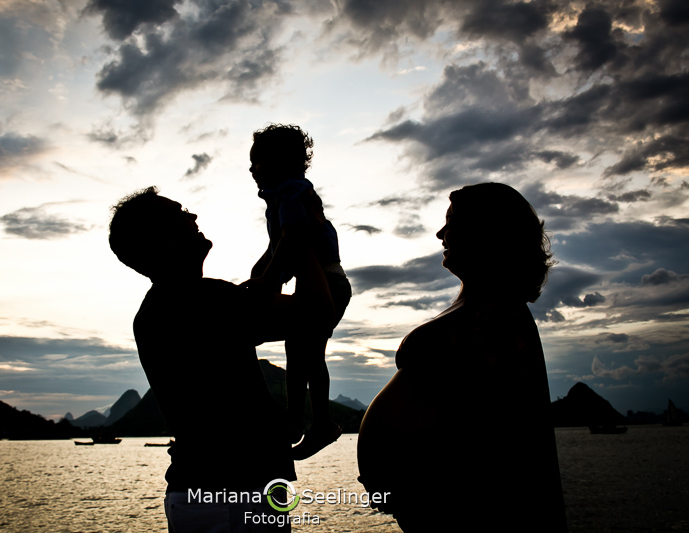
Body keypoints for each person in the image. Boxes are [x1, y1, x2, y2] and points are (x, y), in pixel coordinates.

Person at [109, 187, 334, 532]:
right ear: (162, 242)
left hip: (206, 491)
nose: (193, 215)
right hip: (233, 495)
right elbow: (317, 312)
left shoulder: (163, 307)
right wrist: (299, 237)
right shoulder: (201, 300)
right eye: (179, 213)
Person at [357, 183, 568, 532]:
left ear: (488, 232)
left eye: (452, 223)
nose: (440, 234)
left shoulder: (497, 317)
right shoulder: (488, 311)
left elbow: (490, 434)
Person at [246, 124, 352, 461]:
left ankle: (314, 422)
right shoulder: (282, 196)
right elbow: (277, 247)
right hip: (321, 282)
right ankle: (302, 420)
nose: (251, 169)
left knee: (308, 353)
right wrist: (260, 276)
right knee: (300, 351)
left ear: (280, 161)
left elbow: (292, 239)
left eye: (257, 161)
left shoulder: (291, 191)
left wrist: (268, 280)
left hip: (328, 284)